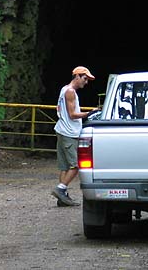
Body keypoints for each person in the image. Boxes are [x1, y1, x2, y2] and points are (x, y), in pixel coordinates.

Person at [51, 66, 95, 207]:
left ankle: (62, 198)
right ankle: (60, 189)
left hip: (62, 130)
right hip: (69, 132)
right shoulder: (70, 92)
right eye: (85, 78)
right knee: (75, 166)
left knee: (64, 167)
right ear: (77, 76)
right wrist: (90, 113)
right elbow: (72, 114)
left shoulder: (65, 89)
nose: (86, 82)